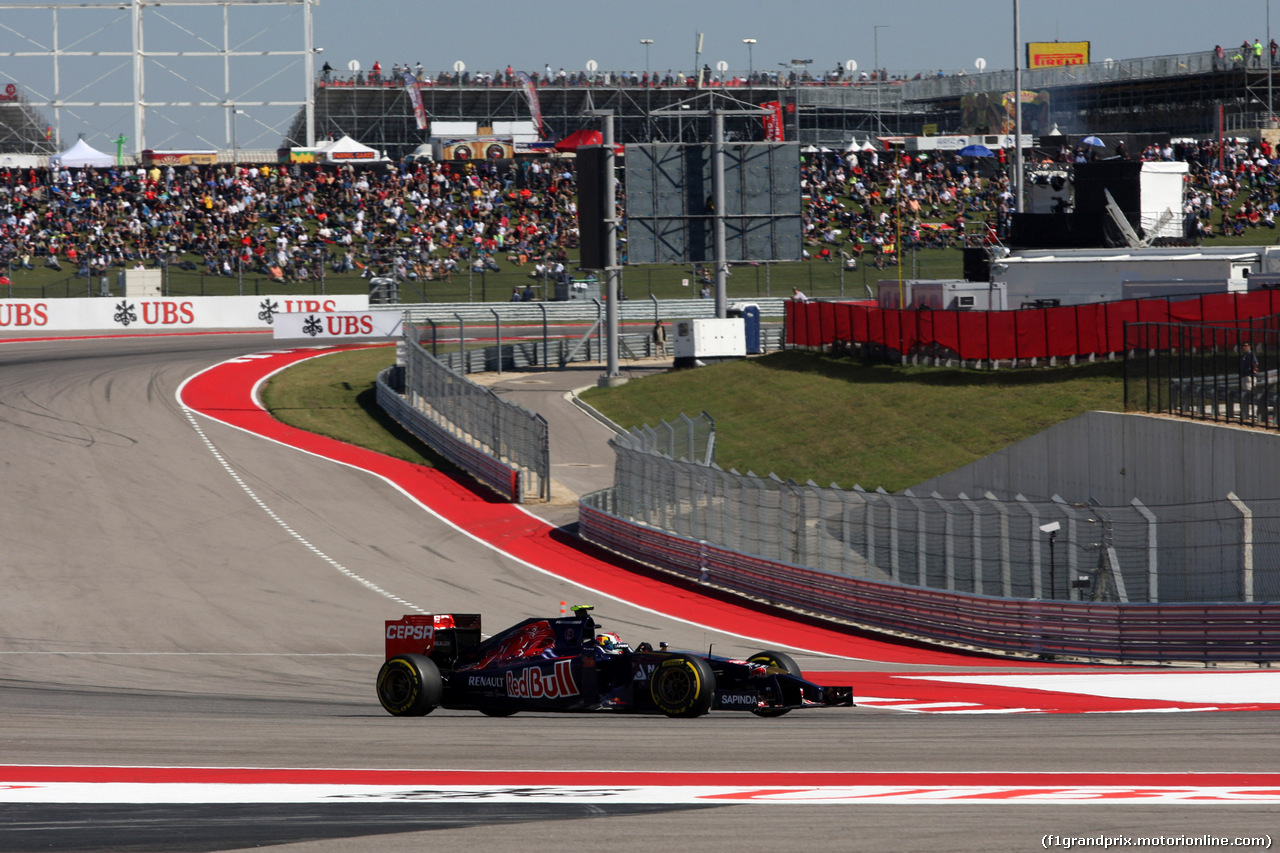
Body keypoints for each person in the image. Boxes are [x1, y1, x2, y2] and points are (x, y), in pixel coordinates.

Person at [1241, 341, 1260, 419]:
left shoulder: (1250, 354)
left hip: (1249, 377)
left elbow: (1256, 363)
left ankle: (1253, 412)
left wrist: (1254, 369)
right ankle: (1247, 412)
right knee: (1245, 395)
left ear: (1249, 346)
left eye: (1246, 345)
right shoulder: (1245, 355)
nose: (1244, 347)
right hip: (1245, 377)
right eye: (1243, 346)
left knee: (1250, 395)